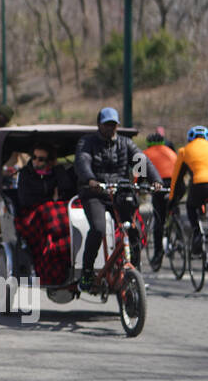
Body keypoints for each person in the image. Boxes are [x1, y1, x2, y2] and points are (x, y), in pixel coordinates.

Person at [73, 107, 159, 291]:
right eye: (107, 124)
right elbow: (82, 161)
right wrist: (90, 179)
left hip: (120, 193)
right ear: (99, 125)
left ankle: (133, 271)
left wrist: (154, 181)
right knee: (98, 229)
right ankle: (87, 272)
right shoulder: (87, 142)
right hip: (95, 193)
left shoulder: (125, 143)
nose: (111, 128)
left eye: (114, 125)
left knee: (134, 231)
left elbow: (141, 162)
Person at [16, 141, 74, 284]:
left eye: (41, 159)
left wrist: (57, 169)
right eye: (34, 157)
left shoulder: (55, 172)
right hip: (31, 213)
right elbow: (25, 199)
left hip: (50, 211)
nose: (36, 161)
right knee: (48, 214)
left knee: (67, 215)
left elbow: (67, 189)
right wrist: (48, 199)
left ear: (49, 161)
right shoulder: (25, 173)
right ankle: (47, 260)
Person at [170, 125, 208, 253]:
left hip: (201, 184)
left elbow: (177, 179)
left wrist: (172, 198)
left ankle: (197, 234)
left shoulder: (185, 151)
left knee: (190, 206)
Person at [144, 131, 178, 264]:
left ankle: (158, 253)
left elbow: (137, 176)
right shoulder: (170, 152)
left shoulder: (145, 153)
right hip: (175, 185)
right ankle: (178, 234)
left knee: (159, 220)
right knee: (173, 207)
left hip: (159, 185)